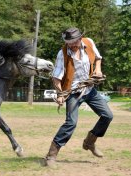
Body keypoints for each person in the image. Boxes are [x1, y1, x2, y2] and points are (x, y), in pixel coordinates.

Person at [44, 27, 113, 167]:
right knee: (71, 123)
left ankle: (89, 142)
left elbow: (98, 58)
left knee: (107, 115)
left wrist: (98, 70)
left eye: (74, 42)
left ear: (80, 38)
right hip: (72, 92)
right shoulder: (62, 53)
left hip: (89, 89)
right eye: (68, 43)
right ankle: (51, 155)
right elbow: (56, 78)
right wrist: (60, 94)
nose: (71, 45)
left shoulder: (89, 43)